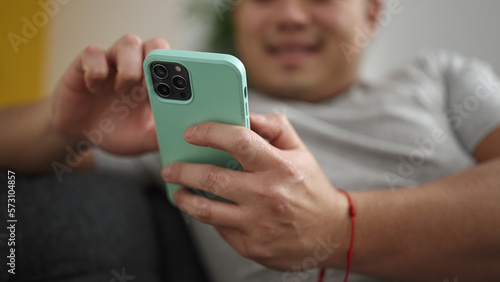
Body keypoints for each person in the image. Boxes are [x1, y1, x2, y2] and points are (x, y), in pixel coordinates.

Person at [1, 0, 500, 281]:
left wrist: (339, 225)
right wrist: (61, 126)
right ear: (237, 16)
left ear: (371, 14)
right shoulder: (176, 124)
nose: (288, 14)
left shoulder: (441, 78)